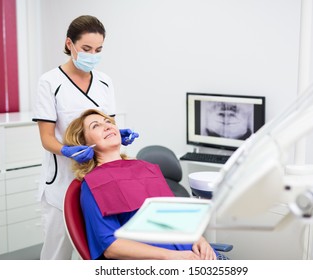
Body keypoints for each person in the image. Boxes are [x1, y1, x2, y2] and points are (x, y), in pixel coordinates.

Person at [32, 15, 138, 260]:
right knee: (56, 255)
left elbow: (107, 123)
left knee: (93, 253)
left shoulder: (104, 82)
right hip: (62, 181)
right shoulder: (50, 82)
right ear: (70, 44)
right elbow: (47, 138)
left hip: (97, 180)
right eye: (86, 49)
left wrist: (118, 134)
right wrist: (67, 149)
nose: (93, 54)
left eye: (99, 49)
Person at [63, 108, 219, 260]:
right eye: (95, 126)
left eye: (108, 121)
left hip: (193, 254)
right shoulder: (93, 185)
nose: (107, 126)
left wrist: (199, 239)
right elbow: (110, 247)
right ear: (82, 143)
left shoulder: (145, 167)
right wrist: (173, 257)